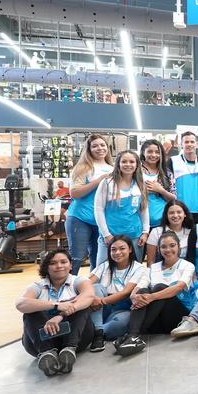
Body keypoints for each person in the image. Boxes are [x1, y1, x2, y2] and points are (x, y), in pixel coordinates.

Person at [113, 232, 196, 356]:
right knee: (143, 291)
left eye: (172, 245)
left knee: (159, 287)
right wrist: (135, 296)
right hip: (155, 320)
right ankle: (134, 336)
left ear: (179, 247)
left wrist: (151, 297)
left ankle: (132, 335)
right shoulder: (153, 268)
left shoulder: (187, 266)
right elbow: (138, 287)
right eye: (163, 247)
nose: (168, 249)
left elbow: (178, 288)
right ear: (159, 249)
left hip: (177, 318)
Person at [16, 248, 96, 376]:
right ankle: (47, 353)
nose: (59, 266)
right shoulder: (37, 286)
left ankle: (69, 350)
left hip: (75, 337)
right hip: (42, 339)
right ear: (46, 267)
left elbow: (89, 297)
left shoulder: (79, 281)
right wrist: (56, 306)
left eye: (63, 262)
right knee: (30, 310)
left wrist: (61, 315)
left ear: (70, 265)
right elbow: (20, 304)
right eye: (53, 263)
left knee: (81, 306)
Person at [87, 235, 147, 351]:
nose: (117, 252)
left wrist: (100, 301)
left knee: (119, 325)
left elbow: (126, 293)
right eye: (113, 249)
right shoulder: (104, 266)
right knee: (96, 287)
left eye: (122, 248)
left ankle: (94, 331)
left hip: (121, 308)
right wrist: (95, 298)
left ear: (130, 249)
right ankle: (98, 333)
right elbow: (87, 283)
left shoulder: (139, 268)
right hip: (101, 308)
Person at [66, 134, 113, 274]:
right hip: (80, 219)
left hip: (101, 221)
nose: (100, 148)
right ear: (89, 149)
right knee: (76, 258)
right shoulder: (83, 168)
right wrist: (98, 181)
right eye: (95, 146)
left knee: (98, 260)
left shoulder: (113, 168)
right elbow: (74, 193)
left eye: (102, 145)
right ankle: (64, 291)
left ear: (107, 147)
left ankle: (91, 291)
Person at [94, 150, 149, 266]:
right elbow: (98, 210)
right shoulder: (107, 183)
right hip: (111, 236)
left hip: (135, 236)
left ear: (137, 165)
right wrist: (106, 234)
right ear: (118, 164)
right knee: (102, 270)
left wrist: (145, 232)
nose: (128, 164)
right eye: (124, 161)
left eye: (131, 162)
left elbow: (144, 209)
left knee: (133, 271)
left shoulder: (140, 184)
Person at [170, 131, 198, 223]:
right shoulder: (173, 161)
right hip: (178, 210)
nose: (189, 144)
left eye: (192, 142)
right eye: (186, 142)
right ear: (181, 144)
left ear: (197, 144)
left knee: (196, 236)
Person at [146, 200, 196, 265]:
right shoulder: (156, 232)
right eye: (171, 213)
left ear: (185, 214)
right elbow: (150, 262)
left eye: (179, 212)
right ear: (166, 215)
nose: (175, 215)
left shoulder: (191, 232)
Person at [140, 139, 175, 228]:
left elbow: (174, 199)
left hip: (162, 222)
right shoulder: (136, 171)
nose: (154, 155)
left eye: (157, 152)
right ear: (143, 152)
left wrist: (160, 190)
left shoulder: (167, 173)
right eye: (150, 152)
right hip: (139, 223)